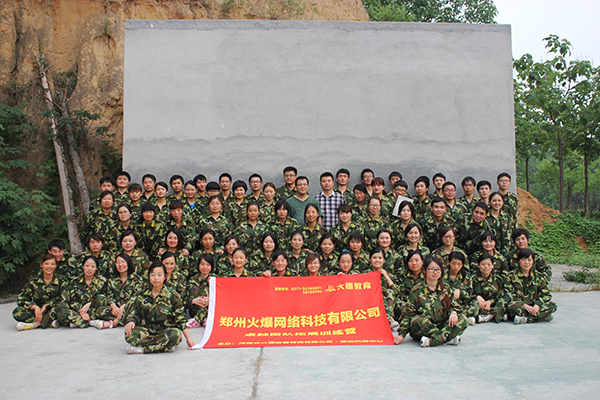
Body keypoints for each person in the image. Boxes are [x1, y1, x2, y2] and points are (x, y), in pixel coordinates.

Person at [124, 261, 195, 354]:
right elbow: (135, 312)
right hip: (146, 331)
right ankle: (164, 345)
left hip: (164, 331)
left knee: (176, 335)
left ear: (165, 276)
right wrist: (131, 322)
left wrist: (188, 338)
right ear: (149, 276)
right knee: (129, 334)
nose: (156, 278)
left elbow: (180, 319)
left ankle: (142, 349)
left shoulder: (173, 296)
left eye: (159, 275)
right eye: (153, 275)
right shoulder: (142, 294)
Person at [397, 256, 468, 347]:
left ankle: (432, 341)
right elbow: (408, 314)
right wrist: (401, 334)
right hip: (425, 327)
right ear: (424, 270)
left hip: (443, 324)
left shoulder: (445, 288)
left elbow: (455, 306)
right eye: (431, 269)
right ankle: (447, 337)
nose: (435, 272)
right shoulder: (416, 291)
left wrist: (453, 312)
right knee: (416, 320)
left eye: (438, 269)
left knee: (462, 318)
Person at [56, 256, 113, 329]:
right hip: (79, 311)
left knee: (101, 300)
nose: (89, 269)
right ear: (82, 267)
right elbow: (72, 301)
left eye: (92, 267)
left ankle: (79, 322)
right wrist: (82, 311)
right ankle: (88, 321)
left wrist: (90, 304)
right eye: (87, 266)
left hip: (95, 311)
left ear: (96, 268)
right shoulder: (75, 282)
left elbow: (106, 298)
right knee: (61, 313)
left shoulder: (102, 281)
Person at [13, 255, 65, 331]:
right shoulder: (33, 282)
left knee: (63, 306)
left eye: (52, 264)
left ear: (55, 266)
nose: (49, 266)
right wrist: (34, 307)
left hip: (53, 309)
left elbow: (64, 297)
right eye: (46, 264)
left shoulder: (62, 280)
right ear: (41, 265)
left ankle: (37, 324)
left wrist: (47, 305)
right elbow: (21, 299)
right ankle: (49, 322)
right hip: (39, 312)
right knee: (17, 312)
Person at [506, 249, 557, 324]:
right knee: (511, 306)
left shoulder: (538, 276)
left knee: (552, 305)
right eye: (523, 260)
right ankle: (541, 315)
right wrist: (524, 305)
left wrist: (537, 305)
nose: (526, 262)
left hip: (534, 306)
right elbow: (509, 294)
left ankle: (526, 319)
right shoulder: (511, 276)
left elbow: (546, 295)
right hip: (521, 306)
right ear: (518, 261)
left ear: (533, 261)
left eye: (529, 260)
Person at [105, 253, 142, 328]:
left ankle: (116, 321)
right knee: (100, 310)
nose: (120, 265)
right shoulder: (112, 280)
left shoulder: (137, 279)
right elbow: (109, 296)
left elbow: (136, 296)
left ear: (128, 263)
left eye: (123, 262)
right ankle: (123, 318)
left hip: (130, 307)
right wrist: (114, 307)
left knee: (138, 311)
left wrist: (124, 307)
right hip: (117, 309)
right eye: (117, 263)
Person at [470, 253, 509, 323]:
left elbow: (500, 295)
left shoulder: (498, 279)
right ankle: (498, 314)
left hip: (493, 304)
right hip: (480, 304)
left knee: (506, 298)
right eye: (483, 264)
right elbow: (468, 293)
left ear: (493, 266)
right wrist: (477, 297)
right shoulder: (472, 278)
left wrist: (490, 302)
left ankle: (490, 316)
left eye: (489, 264)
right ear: (478, 265)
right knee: (473, 305)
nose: (486, 267)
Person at [442, 252, 477, 325]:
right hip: (447, 304)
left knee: (475, 305)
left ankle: (456, 317)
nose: (456, 266)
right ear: (448, 262)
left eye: (459, 264)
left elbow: (470, 293)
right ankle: (461, 318)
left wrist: (461, 293)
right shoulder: (442, 275)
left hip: (461, 304)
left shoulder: (466, 276)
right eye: (453, 263)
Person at [186, 253, 215, 329]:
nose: (205, 267)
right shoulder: (192, 280)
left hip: (210, 310)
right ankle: (201, 318)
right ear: (198, 265)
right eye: (202, 264)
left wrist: (211, 301)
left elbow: (222, 298)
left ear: (211, 266)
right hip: (195, 310)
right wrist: (193, 301)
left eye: (208, 265)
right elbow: (185, 298)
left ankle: (198, 320)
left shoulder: (215, 280)